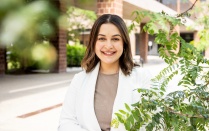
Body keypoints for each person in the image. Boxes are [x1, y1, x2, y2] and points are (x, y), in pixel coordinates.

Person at [58, 14, 152, 131]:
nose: (108, 46)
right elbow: (66, 122)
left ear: (124, 43)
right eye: (102, 38)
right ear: (94, 43)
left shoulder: (143, 77)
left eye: (115, 39)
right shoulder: (79, 80)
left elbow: (153, 122)